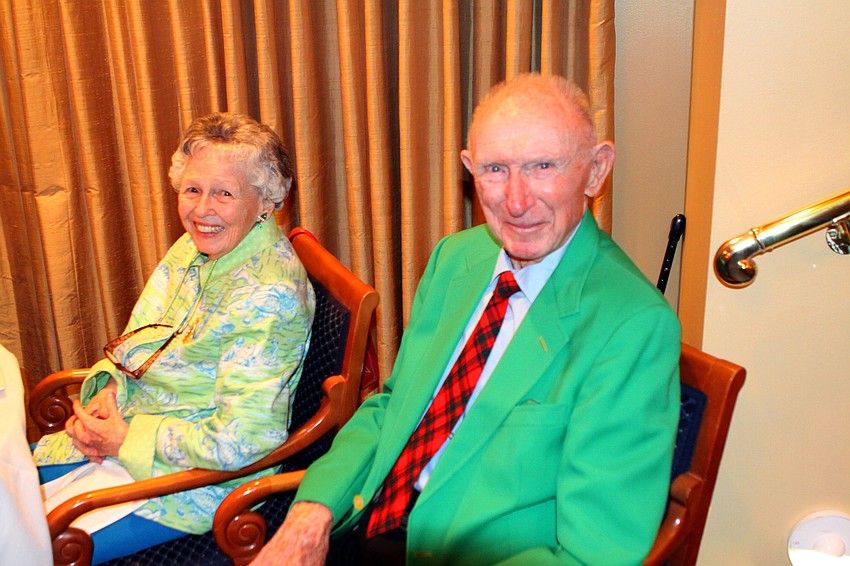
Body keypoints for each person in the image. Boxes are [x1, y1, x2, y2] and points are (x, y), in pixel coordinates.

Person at [254, 73, 681, 566]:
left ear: (596, 170)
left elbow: (594, 555)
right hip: (369, 521)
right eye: (496, 169)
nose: (517, 201)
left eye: (544, 166)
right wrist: (312, 510)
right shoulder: (457, 258)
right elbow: (395, 407)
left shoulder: (632, 327)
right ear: (468, 168)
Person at [33, 112, 316, 563]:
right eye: (192, 189)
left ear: (265, 201)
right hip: (127, 428)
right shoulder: (194, 245)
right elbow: (138, 337)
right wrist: (107, 387)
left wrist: (124, 439)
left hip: (198, 481)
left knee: (33, 546)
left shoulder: (270, 296)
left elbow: (242, 441)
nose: (202, 209)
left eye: (224, 193)